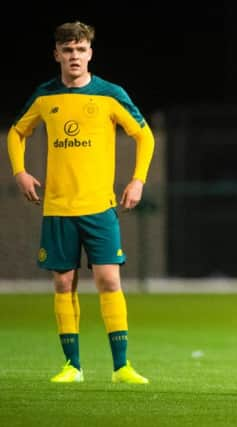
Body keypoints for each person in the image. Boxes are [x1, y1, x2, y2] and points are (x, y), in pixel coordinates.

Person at [6, 21, 155, 384]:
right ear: (57, 54)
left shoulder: (110, 94)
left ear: (91, 53)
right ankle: (72, 366)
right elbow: (16, 132)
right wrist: (20, 172)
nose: (75, 56)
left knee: (108, 281)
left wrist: (138, 180)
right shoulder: (45, 96)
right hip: (58, 208)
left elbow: (144, 134)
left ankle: (122, 367)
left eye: (81, 50)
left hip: (99, 207)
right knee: (62, 284)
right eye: (68, 50)